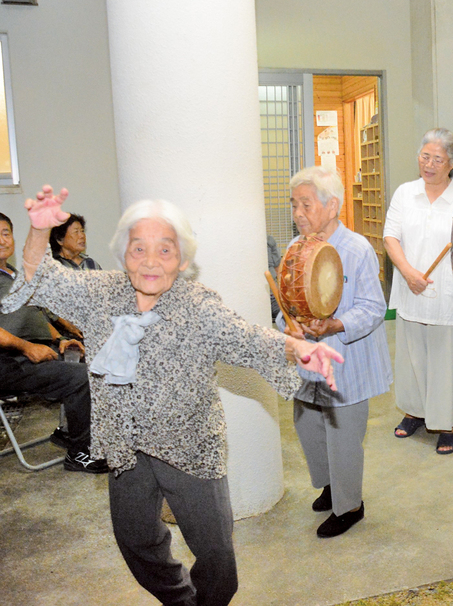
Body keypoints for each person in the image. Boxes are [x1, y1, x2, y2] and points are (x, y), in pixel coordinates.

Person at [3, 186, 343, 606]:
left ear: (182, 260)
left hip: (190, 444)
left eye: (165, 250)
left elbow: (247, 338)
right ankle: (181, 600)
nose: (150, 260)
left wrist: (297, 348)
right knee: (136, 542)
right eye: (139, 247)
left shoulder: (198, 305)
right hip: (125, 443)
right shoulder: (100, 293)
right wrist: (38, 232)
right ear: (123, 253)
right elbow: (40, 279)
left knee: (216, 553)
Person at [278, 166, 392, 538]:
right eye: (294, 205)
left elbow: (373, 308)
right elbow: (286, 304)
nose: (298, 213)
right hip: (309, 360)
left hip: (346, 360)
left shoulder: (356, 248)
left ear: (332, 207)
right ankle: (330, 486)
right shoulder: (296, 249)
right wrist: (287, 326)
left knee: (343, 436)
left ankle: (350, 506)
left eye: (306, 204)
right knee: (308, 427)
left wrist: (335, 325)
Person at [383, 128, 453, 455]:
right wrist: (408, 273)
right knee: (412, 355)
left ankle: (449, 422)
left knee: (445, 359)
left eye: (438, 159)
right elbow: (390, 238)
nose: (429, 164)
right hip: (412, 289)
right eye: (425, 156)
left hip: (449, 296)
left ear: (451, 163)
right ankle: (415, 411)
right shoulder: (405, 193)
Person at [0, 212, 105, 473]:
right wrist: (26, 347)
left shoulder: (14, 273)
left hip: (31, 351)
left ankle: (69, 432)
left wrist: (60, 339)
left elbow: (35, 313)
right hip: (7, 360)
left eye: (5, 233)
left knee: (100, 363)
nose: (2, 240)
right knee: (80, 377)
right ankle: (80, 453)